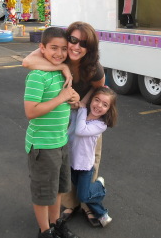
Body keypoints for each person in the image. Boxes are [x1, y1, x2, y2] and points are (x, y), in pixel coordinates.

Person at [22, 21, 106, 227]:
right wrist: (61, 66)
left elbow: (99, 89)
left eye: (83, 43)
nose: (76, 47)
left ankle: (87, 201)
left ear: (90, 48)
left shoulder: (94, 67)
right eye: (73, 40)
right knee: (65, 165)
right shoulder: (59, 53)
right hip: (61, 117)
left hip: (84, 113)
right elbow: (27, 62)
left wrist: (82, 104)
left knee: (87, 161)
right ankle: (71, 203)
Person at [24, 27, 80, 238]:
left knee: (57, 188)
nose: (59, 53)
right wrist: (62, 97)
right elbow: (31, 111)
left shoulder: (58, 72)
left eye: (63, 49)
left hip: (60, 141)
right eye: (53, 48)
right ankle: (45, 231)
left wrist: (72, 99)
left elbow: (66, 99)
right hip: (42, 144)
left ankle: (56, 224)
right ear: (42, 48)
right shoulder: (37, 76)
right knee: (43, 193)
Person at [69, 86, 117, 227]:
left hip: (85, 166)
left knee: (83, 196)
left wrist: (83, 108)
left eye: (105, 104)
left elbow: (80, 130)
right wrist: (93, 89)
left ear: (109, 109)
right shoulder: (82, 113)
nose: (99, 105)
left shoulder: (100, 124)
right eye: (97, 100)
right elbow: (80, 105)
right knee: (81, 191)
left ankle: (99, 186)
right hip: (73, 162)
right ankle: (102, 214)